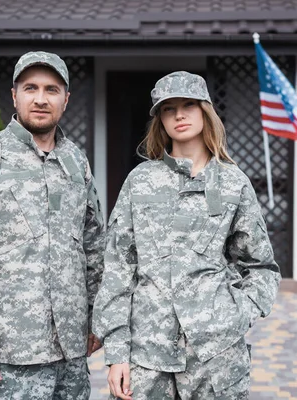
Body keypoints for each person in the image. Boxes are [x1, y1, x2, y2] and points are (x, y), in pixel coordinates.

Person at [92, 71, 281, 399]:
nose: (179, 115)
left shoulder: (232, 183)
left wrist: (236, 315)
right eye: (169, 108)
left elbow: (261, 267)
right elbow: (118, 271)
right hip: (146, 355)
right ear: (160, 119)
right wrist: (117, 352)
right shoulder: (140, 181)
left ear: (205, 111)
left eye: (189, 105)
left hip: (214, 358)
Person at [0, 51, 104, 399]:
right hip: (9, 356)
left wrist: (96, 319)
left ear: (66, 99)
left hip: (72, 354)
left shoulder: (75, 162)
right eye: (31, 88)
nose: (41, 99)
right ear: (14, 95)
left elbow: (93, 246)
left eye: (52, 90)